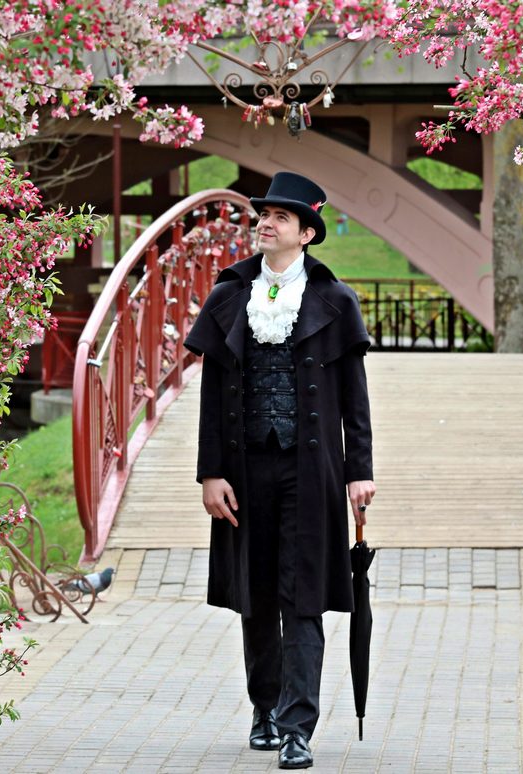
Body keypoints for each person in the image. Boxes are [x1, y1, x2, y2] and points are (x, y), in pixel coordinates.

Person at [183, 172, 376, 769]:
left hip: (310, 471)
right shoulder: (228, 295)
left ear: (306, 233)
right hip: (244, 470)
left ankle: (298, 728)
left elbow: (354, 398)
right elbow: (212, 394)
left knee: (304, 597)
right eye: (263, 215)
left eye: (280, 218)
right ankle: (264, 708)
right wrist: (210, 473)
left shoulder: (335, 300)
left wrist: (360, 471)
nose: (265, 223)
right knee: (257, 595)